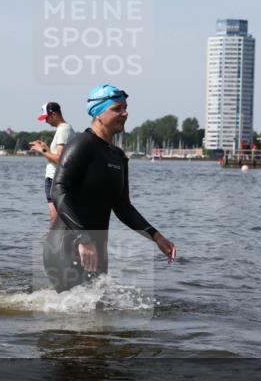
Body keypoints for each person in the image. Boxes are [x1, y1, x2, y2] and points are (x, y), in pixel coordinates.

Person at [43, 84, 176, 292]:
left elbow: (123, 207)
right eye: (117, 108)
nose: (125, 113)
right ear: (98, 114)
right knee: (75, 317)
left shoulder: (118, 157)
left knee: (98, 315)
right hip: (68, 245)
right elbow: (58, 190)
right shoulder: (81, 144)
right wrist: (83, 237)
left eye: (125, 107)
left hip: (95, 249)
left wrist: (156, 237)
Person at [29, 102, 72, 223]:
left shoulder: (63, 129)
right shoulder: (63, 129)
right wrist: (46, 148)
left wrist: (42, 150)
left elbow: (60, 159)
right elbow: (59, 156)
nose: (46, 121)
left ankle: (55, 242)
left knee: (56, 220)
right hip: (55, 178)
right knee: (56, 219)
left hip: (55, 179)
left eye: (46, 118)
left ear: (54, 114)